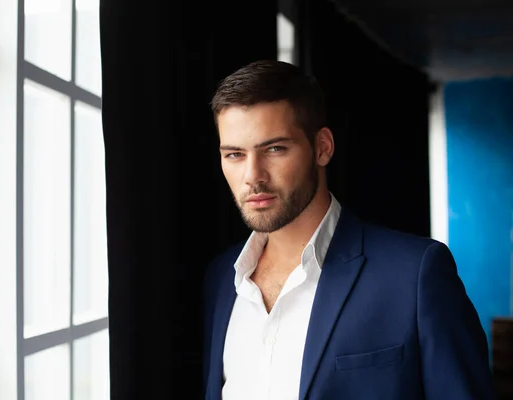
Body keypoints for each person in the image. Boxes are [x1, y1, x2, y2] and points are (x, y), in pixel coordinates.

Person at [202, 60, 494, 400]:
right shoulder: (221, 279)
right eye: (235, 154)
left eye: (274, 149)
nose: (253, 176)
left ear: (323, 147)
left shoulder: (415, 274)